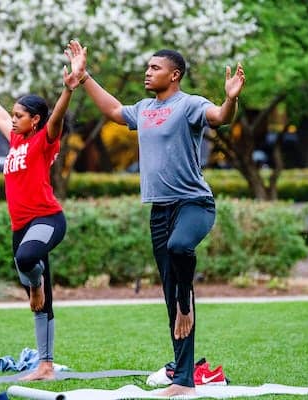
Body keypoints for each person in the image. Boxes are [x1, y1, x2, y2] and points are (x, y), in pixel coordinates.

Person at [65, 39, 245, 397]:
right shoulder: (145, 109)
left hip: (194, 203)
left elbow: (221, 119)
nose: (147, 72)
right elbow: (115, 111)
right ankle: (183, 381)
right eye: (147, 67)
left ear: (174, 75)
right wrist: (84, 77)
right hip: (159, 210)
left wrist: (231, 99)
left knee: (181, 249)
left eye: (155, 68)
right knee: (169, 291)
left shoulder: (189, 104)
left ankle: (185, 302)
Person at [0, 62, 78, 381]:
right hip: (20, 227)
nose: (14, 119)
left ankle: (37, 283)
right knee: (39, 305)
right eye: (14, 115)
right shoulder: (16, 141)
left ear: (35, 120)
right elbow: (3, 118)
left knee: (27, 259)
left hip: (47, 218)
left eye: (21, 116)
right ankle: (45, 366)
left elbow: (57, 117)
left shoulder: (44, 141)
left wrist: (68, 89)